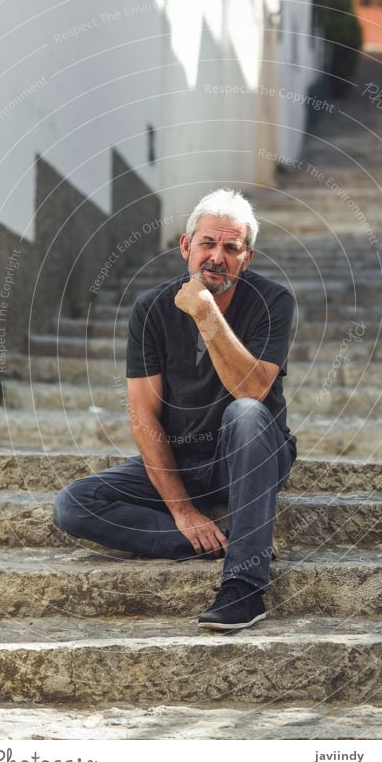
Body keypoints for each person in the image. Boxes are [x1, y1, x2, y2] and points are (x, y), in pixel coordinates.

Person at [54, 189, 296, 631]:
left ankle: (244, 585)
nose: (216, 257)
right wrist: (183, 512)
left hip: (250, 457)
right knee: (75, 505)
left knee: (244, 413)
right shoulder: (151, 309)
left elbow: (256, 388)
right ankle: (225, 541)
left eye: (230, 247)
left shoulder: (274, 302)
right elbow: (144, 416)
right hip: (181, 462)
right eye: (207, 243)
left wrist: (206, 314)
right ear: (186, 246)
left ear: (247, 258)